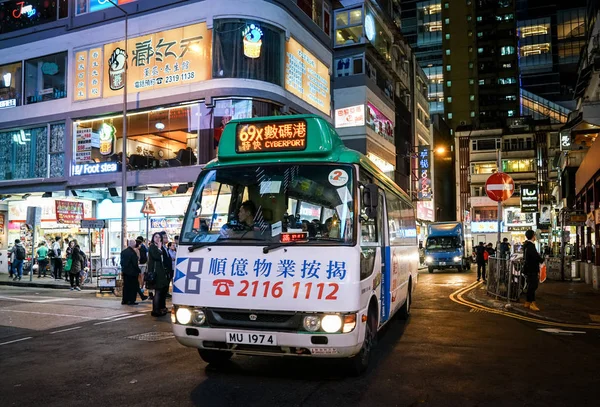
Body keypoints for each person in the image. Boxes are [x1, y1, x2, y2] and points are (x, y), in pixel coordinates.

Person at [148, 232, 169, 317]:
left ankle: (159, 308)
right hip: (156, 273)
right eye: (155, 237)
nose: (157, 239)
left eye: (159, 237)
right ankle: (155, 310)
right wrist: (160, 249)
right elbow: (156, 256)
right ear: (153, 238)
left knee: (160, 291)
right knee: (158, 291)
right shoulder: (153, 247)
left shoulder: (158, 247)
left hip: (161, 272)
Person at [523, 229, 544, 311]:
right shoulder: (530, 246)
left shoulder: (527, 245)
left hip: (529, 268)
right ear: (532, 236)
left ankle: (527, 302)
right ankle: (532, 303)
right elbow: (535, 256)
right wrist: (541, 260)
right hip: (532, 269)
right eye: (534, 235)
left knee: (530, 286)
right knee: (533, 286)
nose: (535, 237)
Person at [121, 240, 142, 305]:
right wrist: (139, 270)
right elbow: (134, 263)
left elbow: (121, 262)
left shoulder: (123, 252)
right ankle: (131, 300)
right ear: (133, 244)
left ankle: (124, 300)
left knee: (126, 286)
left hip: (125, 272)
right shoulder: (133, 253)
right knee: (133, 287)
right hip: (132, 273)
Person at [136, 236, 149, 301]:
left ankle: (139, 287)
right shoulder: (144, 247)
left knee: (138, 276)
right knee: (142, 275)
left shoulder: (136, 247)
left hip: (138, 263)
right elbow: (147, 255)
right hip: (144, 263)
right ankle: (142, 287)